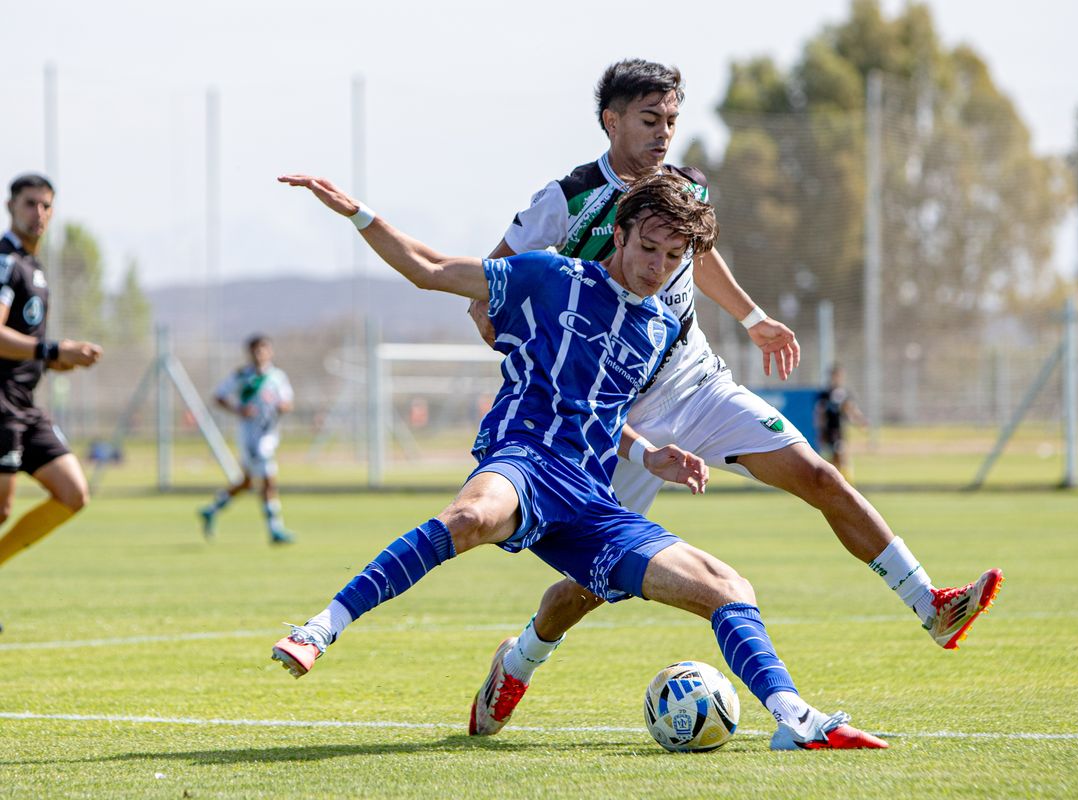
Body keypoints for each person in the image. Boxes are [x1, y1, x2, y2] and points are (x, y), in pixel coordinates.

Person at [466, 59, 1002, 738]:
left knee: (818, 474)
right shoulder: (566, 199)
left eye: (671, 121)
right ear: (611, 121)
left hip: (698, 385)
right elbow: (487, 292)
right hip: (618, 419)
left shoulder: (684, 186)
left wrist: (752, 319)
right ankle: (519, 660)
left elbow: (701, 251)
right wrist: (537, 356)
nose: (663, 134)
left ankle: (932, 603)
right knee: (592, 586)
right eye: (649, 120)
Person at [271, 170, 887, 750]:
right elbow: (429, 268)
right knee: (472, 517)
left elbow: (602, 411)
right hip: (524, 459)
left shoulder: (653, 330)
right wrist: (358, 213)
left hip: (590, 499)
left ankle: (797, 720)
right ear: (619, 233)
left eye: (674, 259)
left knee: (729, 589)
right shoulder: (549, 276)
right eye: (649, 248)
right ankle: (320, 628)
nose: (658, 268)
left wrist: (651, 456)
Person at [0, 174, 103, 615]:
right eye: (29, 204)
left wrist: (59, 360)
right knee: (3, 508)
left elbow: (24, 345)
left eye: (45, 206)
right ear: (10, 207)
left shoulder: (35, 266)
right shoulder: (6, 261)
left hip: (26, 404)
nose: (37, 213)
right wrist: (53, 349)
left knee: (73, 493)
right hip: (0, 402)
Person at [199, 334, 296, 543]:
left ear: (270, 351)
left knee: (247, 482)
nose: (260, 354)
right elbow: (219, 396)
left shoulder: (277, 377)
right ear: (250, 353)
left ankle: (212, 509)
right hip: (252, 437)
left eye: (263, 349)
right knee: (268, 480)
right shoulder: (243, 376)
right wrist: (239, 410)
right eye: (255, 350)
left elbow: (288, 402)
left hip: (269, 433)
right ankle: (275, 530)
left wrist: (282, 407)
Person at [815, 364, 868, 477]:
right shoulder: (825, 394)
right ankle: (835, 480)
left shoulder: (845, 393)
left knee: (841, 456)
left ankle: (841, 481)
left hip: (840, 429)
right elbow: (820, 413)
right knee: (836, 456)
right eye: (835, 375)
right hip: (829, 430)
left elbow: (851, 409)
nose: (838, 378)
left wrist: (861, 421)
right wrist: (820, 430)